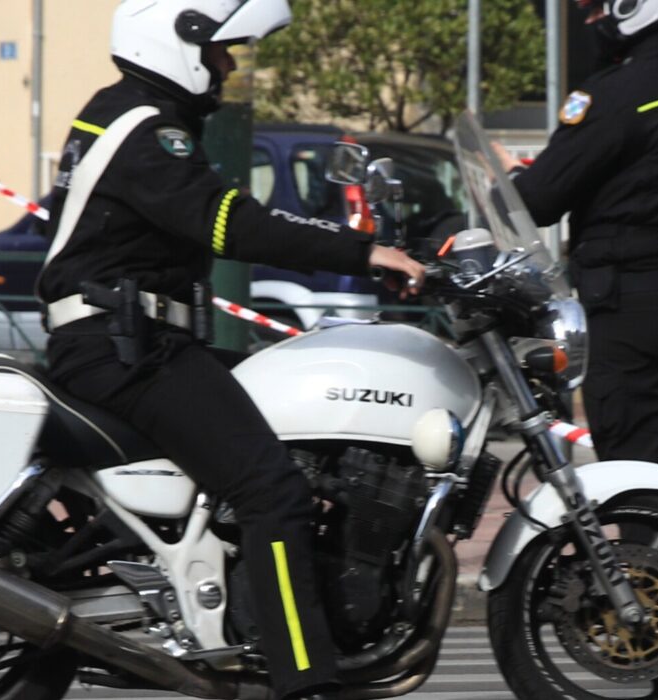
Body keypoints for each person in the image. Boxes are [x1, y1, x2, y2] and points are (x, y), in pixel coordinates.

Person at [36, 1, 424, 698]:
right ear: (178, 44)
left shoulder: (128, 113)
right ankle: (303, 677)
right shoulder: (147, 130)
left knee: (291, 431)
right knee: (271, 489)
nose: (229, 62)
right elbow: (234, 224)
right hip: (124, 349)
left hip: (129, 339)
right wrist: (362, 252)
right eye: (220, 48)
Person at [494, 0, 658, 488]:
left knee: (633, 474)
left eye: (595, 9)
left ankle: (649, 542)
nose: (589, 22)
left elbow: (538, 202)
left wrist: (510, 179)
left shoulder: (612, 94)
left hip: (629, 314)